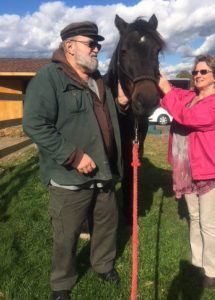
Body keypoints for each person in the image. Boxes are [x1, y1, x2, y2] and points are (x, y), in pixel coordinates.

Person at [23, 21, 123, 300]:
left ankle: (103, 265)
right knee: (66, 234)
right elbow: (34, 124)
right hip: (69, 176)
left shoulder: (98, 79)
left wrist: (123, 104)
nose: (96, 49)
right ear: (69, 47)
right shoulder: (49, 78)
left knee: (105, 224)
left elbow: (108, 118)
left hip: (103, 170)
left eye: (98, 44)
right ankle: (62, 283)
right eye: (90, 43)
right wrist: (74, 155)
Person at [158, 55, 215, 289]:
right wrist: (156, 76)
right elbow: (171, 94)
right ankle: (198, 261)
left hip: (214, 170)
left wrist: (165, 89)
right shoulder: (192, 96)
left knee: (208, 222)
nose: (197, 75)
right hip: (189, 170)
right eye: (195, 72)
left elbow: (188, 118)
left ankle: (213, 269)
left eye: (203, 72)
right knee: (194, 218)